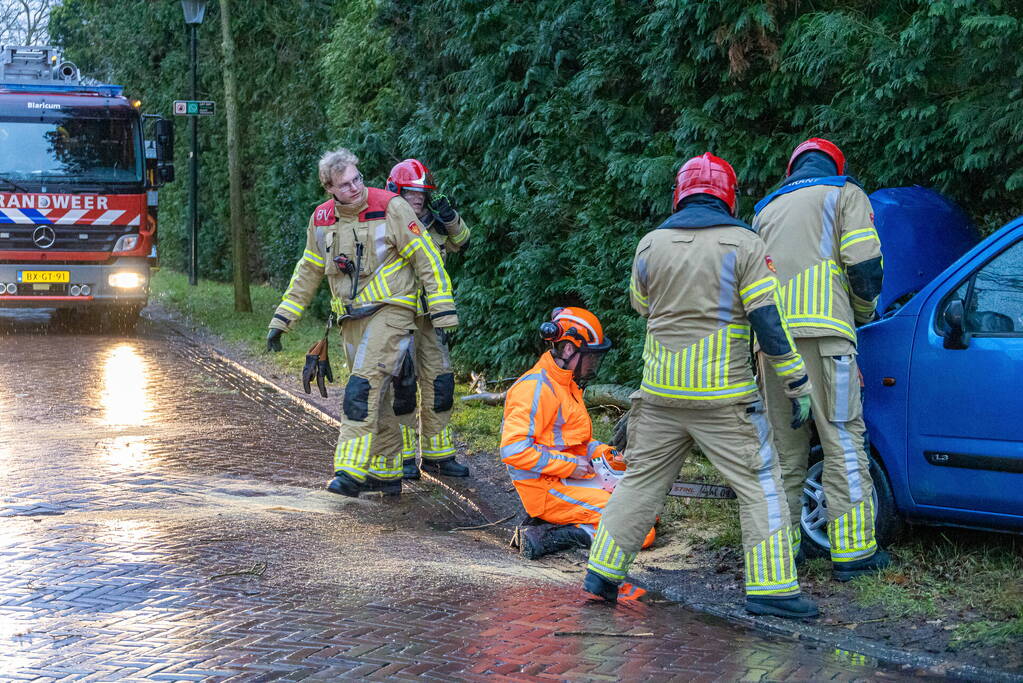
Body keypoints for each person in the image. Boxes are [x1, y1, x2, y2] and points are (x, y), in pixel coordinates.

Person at [582, 153, 819, 619]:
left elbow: (640, 305)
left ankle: (601, 574)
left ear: (680, 193)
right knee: (761, 485)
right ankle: (772, 591)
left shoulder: (650, 245)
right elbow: (768, 322)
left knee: (641, 482)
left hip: (658, 396)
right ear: (728, 195)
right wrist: (797, 381)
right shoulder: (745, 245)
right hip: (724, 398)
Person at [266, 148, 458, 498]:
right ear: (329, 188)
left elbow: (427, 256)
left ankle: (349, 470)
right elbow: (308, 270)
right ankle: (386, 471)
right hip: (350, 318)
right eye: (345, 184)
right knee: (379, 394)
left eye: (357, 179)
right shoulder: (321, 218)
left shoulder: (391, 207)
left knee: (362, 386)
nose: (355, 188)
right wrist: (282, 319)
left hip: (394, 309)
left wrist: (443, 310)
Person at [752, 138, 889, 581]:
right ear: (834, 164)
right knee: (843, 439)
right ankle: (853, 552)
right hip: (828, 338)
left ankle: (782, 555)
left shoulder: (764, 210)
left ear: (793, 168)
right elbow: (865, 268)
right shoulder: (844, 193)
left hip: (772, 348)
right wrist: (863, 315)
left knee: (782, 453)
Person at [500, 307, 655, 560]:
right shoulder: (536, 388)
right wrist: (571, 466)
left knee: (647, 510)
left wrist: (603, 453)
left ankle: (561, 524)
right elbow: (513, 450)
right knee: (640, 530)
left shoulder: (567, 385)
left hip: (566, 479)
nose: (593, 364)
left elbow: (571, 439)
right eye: (591, 357)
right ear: (570, 349)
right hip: (545, 488)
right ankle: (558, 535)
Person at [385, 159, 472, 480]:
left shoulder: (435, 224)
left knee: (441, 382)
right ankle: (403, 457)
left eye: (423, 193)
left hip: (431, 318)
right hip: (398, 315)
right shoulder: (385, 223)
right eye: (412, 192)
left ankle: (438, 456)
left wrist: (450, 219)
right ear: (397, 191)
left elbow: (463, 242)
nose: (419, 198)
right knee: (402, 385)